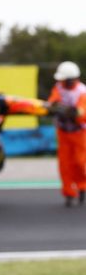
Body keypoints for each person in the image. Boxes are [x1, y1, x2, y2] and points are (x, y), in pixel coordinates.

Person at [48, 61, 86, 207]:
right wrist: (54, 106)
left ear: (72, 79)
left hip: (79, 133)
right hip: (63, 132)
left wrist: (73, 113)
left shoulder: (82, 92)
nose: (61, 82)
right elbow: (53, 100)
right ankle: (69, 193)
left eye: (64, 80)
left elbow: (83, 112)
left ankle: (82, 186)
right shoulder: (59, 88)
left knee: (80, 162)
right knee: (65, 164)